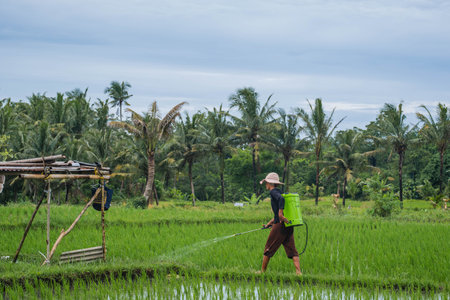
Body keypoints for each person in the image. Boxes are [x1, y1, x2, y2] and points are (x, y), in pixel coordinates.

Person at [259, 172, 302, 275]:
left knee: (268, 248)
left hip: (280, 226)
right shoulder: (279, 192)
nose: (266, 185)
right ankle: (298, 272)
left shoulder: (273, 192)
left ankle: (262, 272)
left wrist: (280, 214)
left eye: (266, 183)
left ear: (269, 183)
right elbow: (276, 215)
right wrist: (269, 224)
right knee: (292, 249)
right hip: (288, 225)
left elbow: (280, 203)